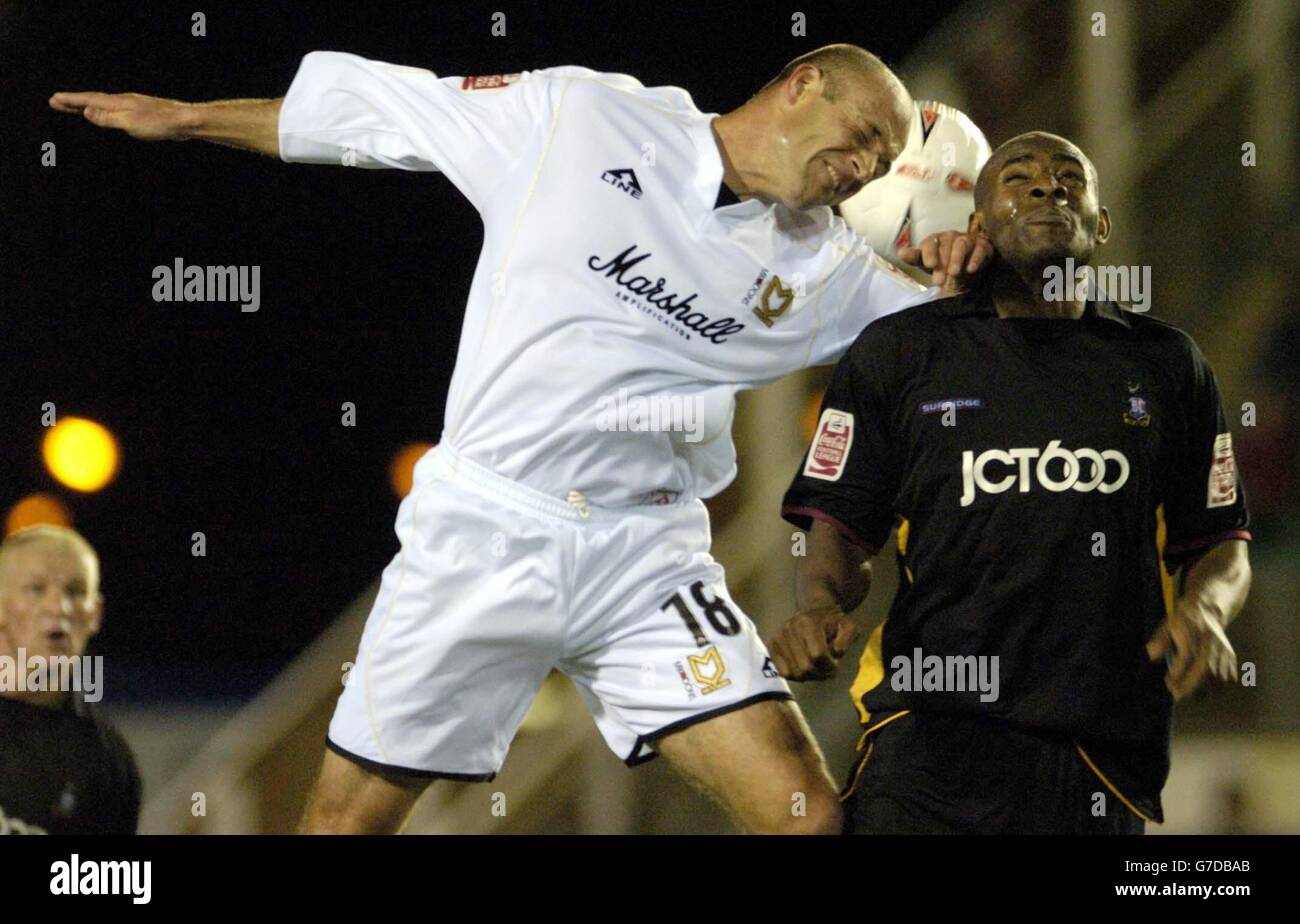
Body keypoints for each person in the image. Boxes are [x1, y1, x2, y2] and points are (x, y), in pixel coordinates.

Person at [50, 44, 989, 834]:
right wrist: (184, 118)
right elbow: (388, 114)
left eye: (883, 159)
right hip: (484, 528)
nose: (864, 165)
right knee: (343, 824)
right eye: (863, 134)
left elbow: (985, 340)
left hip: (644, 560)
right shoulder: (583, 120)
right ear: (801, 84)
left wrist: (979, 258)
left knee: (810, 819)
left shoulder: (830, 272)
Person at [772, 131, 1253, 834]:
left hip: (1096, 752)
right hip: (928, 734)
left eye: (1069, 178)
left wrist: (1207, 610)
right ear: (978, 225)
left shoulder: (1166, 363)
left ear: (1103, 222)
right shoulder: (902, 353)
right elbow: (841, 526)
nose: (1046, 187)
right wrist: (817, 604)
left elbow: (1219, 541)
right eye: (1019, 176)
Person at [0, 526, 141, 834]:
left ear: (95, 615)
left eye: (75, 591)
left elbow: (102, 882)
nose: (58, 608)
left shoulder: (105, 762)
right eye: (36, 588)